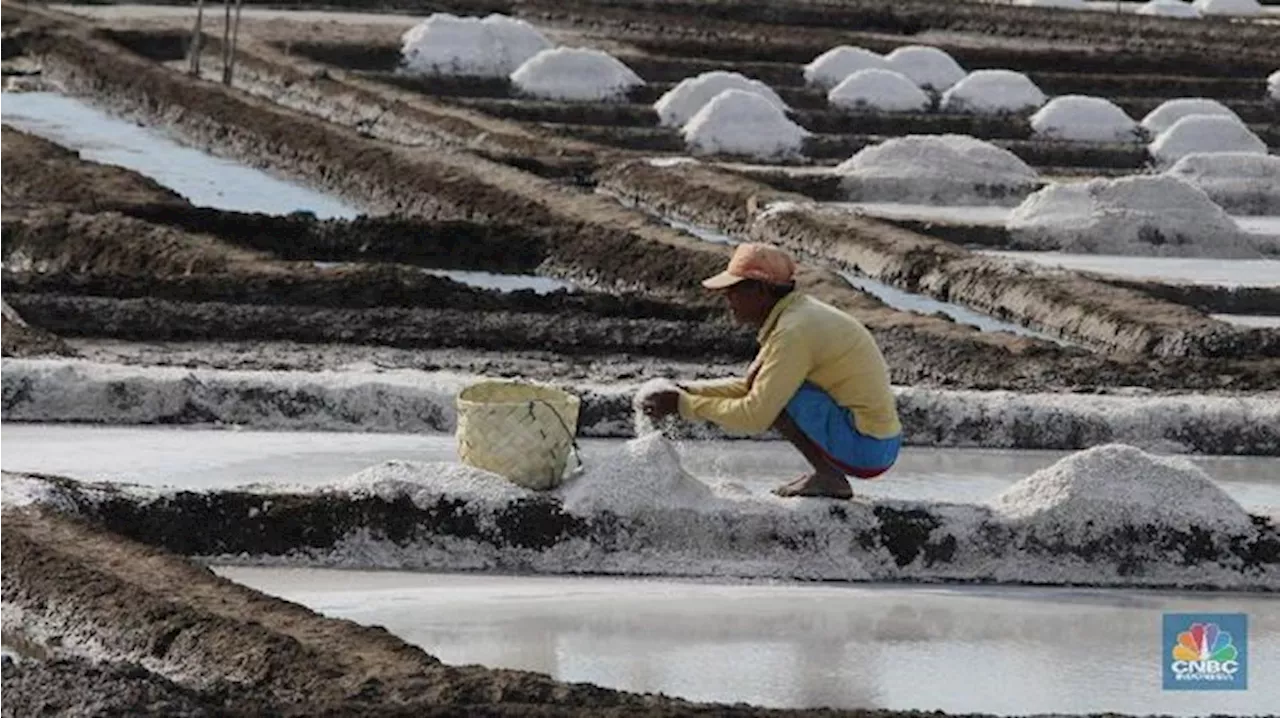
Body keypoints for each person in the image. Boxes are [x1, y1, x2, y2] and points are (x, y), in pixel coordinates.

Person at [642, 242, 902, 499]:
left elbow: (756, 415)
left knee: (777, 398)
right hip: (876, 440)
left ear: (760, 290)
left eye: (735, 290)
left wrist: (684, 405)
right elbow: (750, 385)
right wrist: (687, 390)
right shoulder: (795, 315)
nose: (728, 298)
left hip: (866, 447)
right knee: (771, 386)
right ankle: (828, 473)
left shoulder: (794, 331)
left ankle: (830, 476)